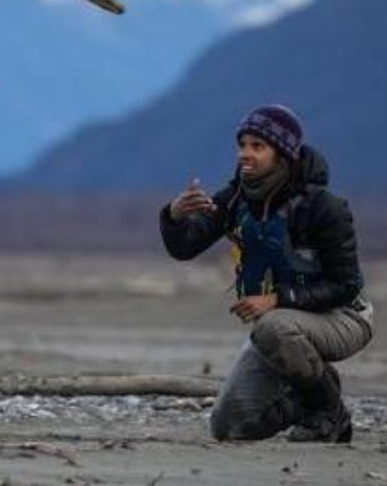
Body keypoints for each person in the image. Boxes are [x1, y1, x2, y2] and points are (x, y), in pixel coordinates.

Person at [160, 104, 373, 442]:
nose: (246, 154)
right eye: (242, 144)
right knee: (229, 427)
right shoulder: (235, 200)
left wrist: (277, 299)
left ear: (283, 154)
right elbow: (185, 248)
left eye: (257, 146)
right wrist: (172, 217)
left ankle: (329, 412)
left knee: (274, 326)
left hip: (343, 316)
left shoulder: (324, 208)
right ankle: (308, 398)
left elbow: (346, 285)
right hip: (279, 330)